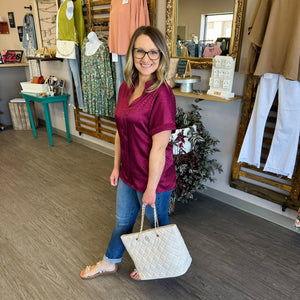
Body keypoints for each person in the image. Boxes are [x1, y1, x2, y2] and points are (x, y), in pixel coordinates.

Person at [80, 26, 177, 281]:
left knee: (156, 225)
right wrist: (116, 166)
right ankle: (110, 262)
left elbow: (159, 148)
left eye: (153, 52)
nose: (147, 58)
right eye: (140, 51)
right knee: (123, 220)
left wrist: (151, 189)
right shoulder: (126, 86)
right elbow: (120, 132)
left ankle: (158, 264)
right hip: (128, 172)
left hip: (152, 177)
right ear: (132, 53)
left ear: (161, 55)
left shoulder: (162, 95)